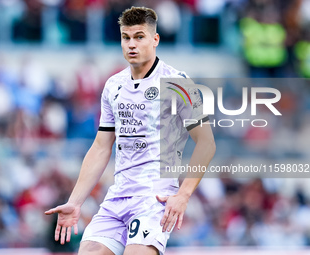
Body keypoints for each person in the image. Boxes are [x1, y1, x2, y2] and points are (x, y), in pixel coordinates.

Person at [45, 6, 216, 255]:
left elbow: (206, 143)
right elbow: (102, 146)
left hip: (154, 199)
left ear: (155, 39)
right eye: (126, 37)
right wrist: (75, 201)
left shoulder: (178, 83)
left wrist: (183, 195)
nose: (131, 45)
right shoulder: (114, 86)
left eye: (139, 37)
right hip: (118, 197)